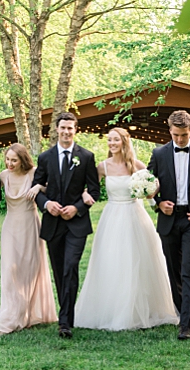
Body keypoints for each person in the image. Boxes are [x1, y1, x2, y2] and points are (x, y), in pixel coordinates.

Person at [74, 127, 178, 332]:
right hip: (112, 216)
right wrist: (85, 195)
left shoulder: (135, 165)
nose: (112, 144)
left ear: (124, 142)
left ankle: (140, 310)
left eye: (116, 140)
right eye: (109, 140)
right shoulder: (102, 166)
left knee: (138, 261)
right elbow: (89, 186)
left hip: (134, 215)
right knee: (113, 261)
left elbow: (151, 189)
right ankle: (113, 309)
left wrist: (152, 191)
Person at [146, 109, 190, 340]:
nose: (179, 139)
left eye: (184, 135)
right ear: (170, 131)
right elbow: (146, 186)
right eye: (176, 135)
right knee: (174, 271)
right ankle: (181, 312)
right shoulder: (158, 154)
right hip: (168, 220)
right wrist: (158, 203)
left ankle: (186, 325)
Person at [31, 110, 100, 338]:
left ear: (75, 130)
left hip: (76, 224)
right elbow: (36, 188)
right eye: (63, 128)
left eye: (70, 128)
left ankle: (65, 322)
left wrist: (77, 207)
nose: (66, 132)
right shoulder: (45, 157)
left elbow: (95, 190)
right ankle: (67, 314)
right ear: (56, 130)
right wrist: (46, 203)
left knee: (70, 266)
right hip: (52, 223)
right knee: (59, 271)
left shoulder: (87, 157)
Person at [0, 142, 56, 334]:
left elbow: (53, 185)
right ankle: (11, 315)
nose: (9, 163)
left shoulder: (33, 173)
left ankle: (26, 314)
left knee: (28, 271)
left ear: (23, 160)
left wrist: (39, 186)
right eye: (7, 159)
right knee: (10, 270)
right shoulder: (3, 175)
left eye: (14, 160)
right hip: (10, 226)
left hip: (30, 225)